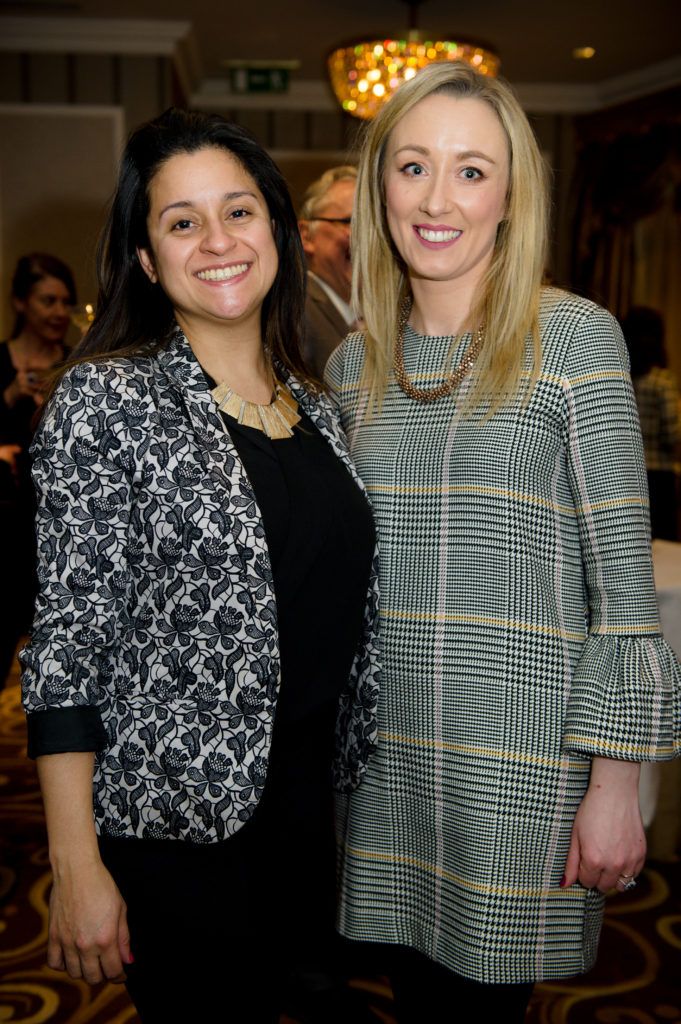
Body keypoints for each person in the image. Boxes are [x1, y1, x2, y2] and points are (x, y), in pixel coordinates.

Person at [326, 62, 681, 1022]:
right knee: (408, 998)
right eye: (412, 166)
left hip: (521, 763)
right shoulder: (349, 363)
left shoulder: (573, 339)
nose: (438, 199)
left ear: (511, 194)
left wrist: (616, 783)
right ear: (379, 187)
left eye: (471, 171)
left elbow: (622, 586)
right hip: (388, 761)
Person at [20, 108, 380, 1024]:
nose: (217, 241)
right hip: (179, 835)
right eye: (182, 222)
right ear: (147, 258)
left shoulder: (318, 402)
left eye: (240, 212)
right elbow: (67, 649)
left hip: (312, 821)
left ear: (278, 230)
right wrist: (76, 865)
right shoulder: (106, 399)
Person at [0, 253, 76, 687]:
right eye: (49, 301)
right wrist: (9, 396)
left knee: (55, 667)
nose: (59, 313)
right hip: (6, 536)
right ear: (21, 303)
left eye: (66, 302)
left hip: (56, 538)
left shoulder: (77, 366)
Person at [622, 306, 680, 540]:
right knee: (663, 544)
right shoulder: (661, 381)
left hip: (628, 471)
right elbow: (674, 432)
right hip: (659, 475)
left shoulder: (622, 376)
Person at [298, 165, 357, 379]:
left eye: (375, 224)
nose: (368, 237)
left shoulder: (391, 314)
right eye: (351, 221)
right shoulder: (293, 312)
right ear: (306, 236)